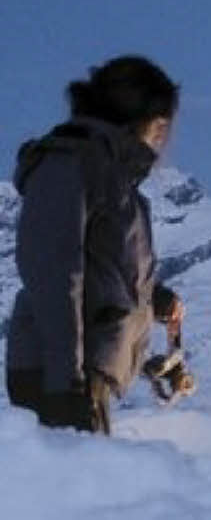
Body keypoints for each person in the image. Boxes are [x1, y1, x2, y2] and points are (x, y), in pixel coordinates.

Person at [5, 56, 184, 434]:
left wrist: (154, 301)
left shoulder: (109, 174)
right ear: (141, 117)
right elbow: (55, 274)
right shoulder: (68, 164)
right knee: (68, 490)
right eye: (162, 125)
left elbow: (103, 272)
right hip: (57, 376)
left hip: (82, 376)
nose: (164, 140)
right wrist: (65, 385)